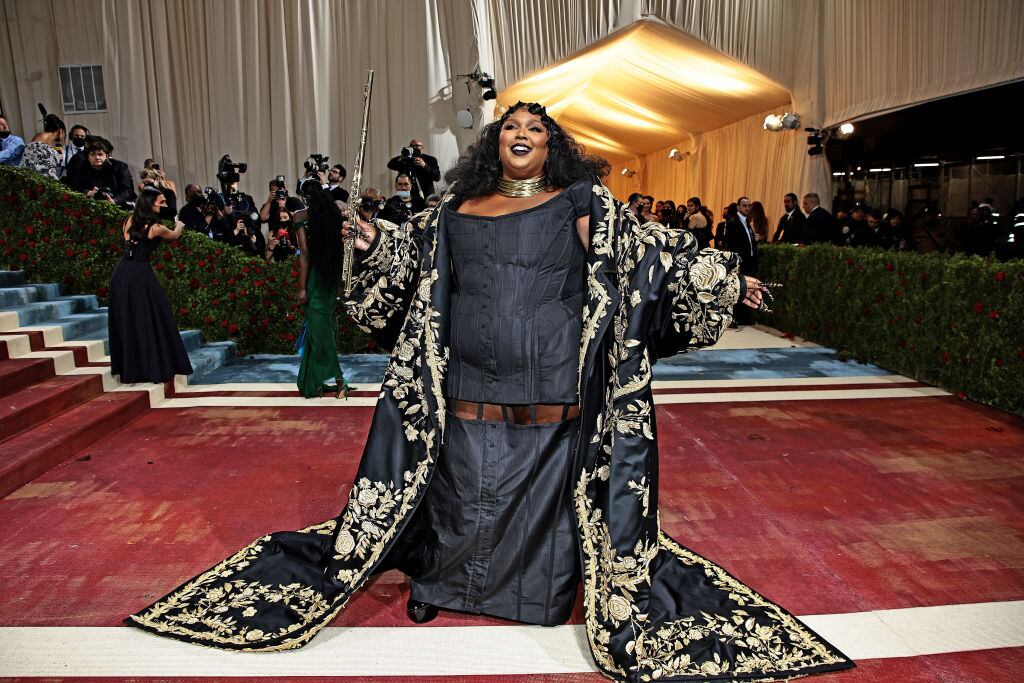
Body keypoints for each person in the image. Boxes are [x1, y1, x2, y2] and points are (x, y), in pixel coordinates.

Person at [127, 101, 852, 683]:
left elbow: (645, 256)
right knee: (454, 501)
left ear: (552, 144)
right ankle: (439, 589)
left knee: (537, 524)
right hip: (464, 400)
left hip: (552, 407)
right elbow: (405, 262)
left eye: (535, 127)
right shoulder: (453, 208)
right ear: (493, 143)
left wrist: (722, 278)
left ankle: (534, 598)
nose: (522, 133)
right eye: (511, 126)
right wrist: (368, 239)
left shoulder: (582, 201)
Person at [107, 186, 193, 383]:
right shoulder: (156, 228)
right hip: (140, 275)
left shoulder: (129, 219)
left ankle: (132, 368)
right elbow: (174, 235)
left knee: (128, 318)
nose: (164, 205)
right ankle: (152, 366)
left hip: (122, 273)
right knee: (151, 316)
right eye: (161, 202)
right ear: (150, 203)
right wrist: (179, 225)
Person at [293, 179, 350, 399]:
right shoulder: (334, 214)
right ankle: (312, 380)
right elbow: (342, 252)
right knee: (319, 329)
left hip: (315, 279)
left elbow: (305, 255)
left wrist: (302, 287)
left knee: (320, 332)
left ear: (304, 196)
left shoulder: (300, 216)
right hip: (331, 277)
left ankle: (340, 380)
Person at [63, 137, 136, 206]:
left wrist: (114, 201)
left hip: (119, 205)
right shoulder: (82, 167)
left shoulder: (120, 167)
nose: (97, 157)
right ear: (88, 157)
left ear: (106, 156)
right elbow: (73, 185)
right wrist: (88, 192)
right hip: (90, 205)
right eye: (93, 154)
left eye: (100, 154)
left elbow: (127, 190)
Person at [21, 113, 65, 180]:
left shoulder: (49, 143)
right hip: (35, 177)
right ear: (61, 131)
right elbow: (33, 156)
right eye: (64, 132)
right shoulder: (42, 137)